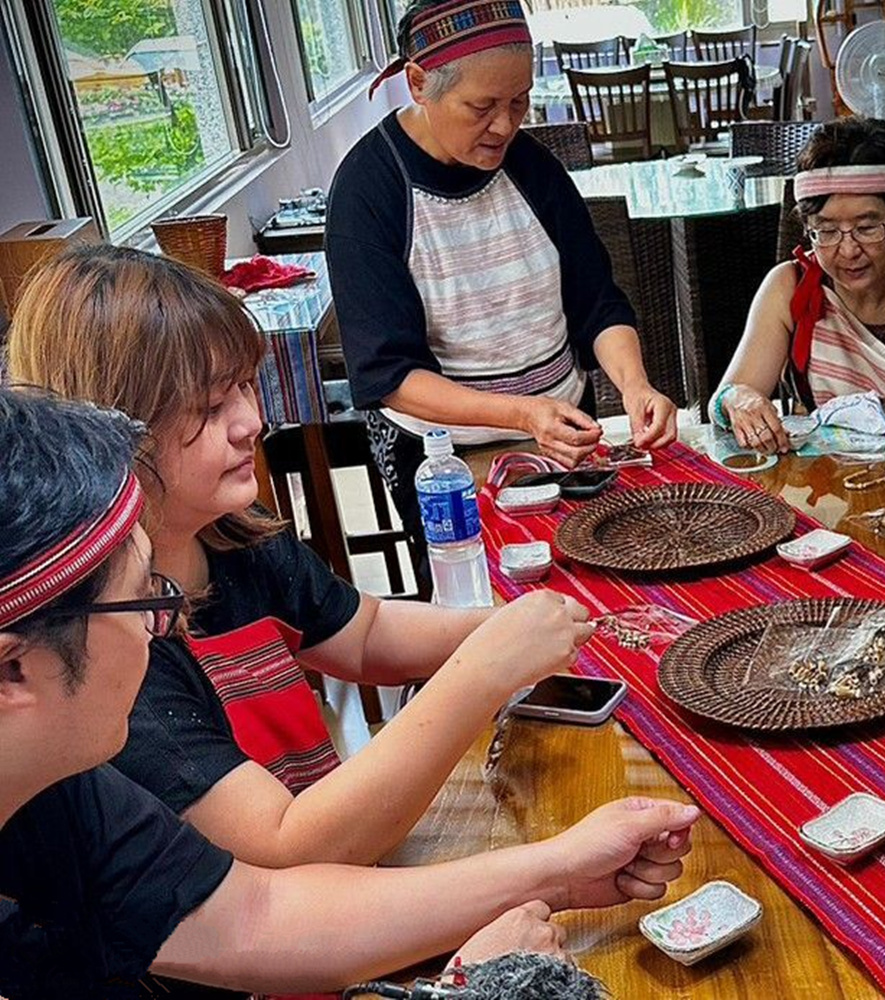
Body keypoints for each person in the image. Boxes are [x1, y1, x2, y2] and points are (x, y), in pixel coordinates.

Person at [0, 387, 702, 999]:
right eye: (139, 603)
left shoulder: (56, 787)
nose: (164, 625)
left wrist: (562, 871)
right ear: (13, 669)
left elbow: (257, 912)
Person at [8, 243, 628, 875]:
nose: (251, 422)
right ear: (118, 429)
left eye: (246, 387)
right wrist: (480, 671)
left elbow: (365, 634)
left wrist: (511, 626)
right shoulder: (115, 645)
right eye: (209, 406)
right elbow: (286, 847)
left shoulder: (234, 539)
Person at [325, 0, 678, 566]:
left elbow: (597, 304)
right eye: (482, 106)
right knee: (495, 605)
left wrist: (635, 386)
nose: (506, 125)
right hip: (443, 460)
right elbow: (388, 375)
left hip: (562, 437)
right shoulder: (370, 191)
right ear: (419, 83)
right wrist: (520, 414)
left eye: (519, 102)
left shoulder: (531, 166)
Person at [712, 116, 885, 459]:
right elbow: (726, 398)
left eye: (867, 228)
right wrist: (739, 400)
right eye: (827, 231)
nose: (848, 251)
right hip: (830, 484)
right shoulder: (789, 288)